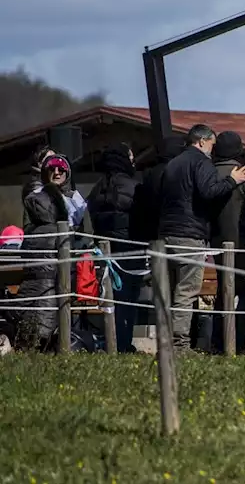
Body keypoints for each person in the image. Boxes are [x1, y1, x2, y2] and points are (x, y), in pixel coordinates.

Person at [157, 125, 245, 351]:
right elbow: (209, 192)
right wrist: (232, 180)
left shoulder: (173, 164)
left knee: (170, 289)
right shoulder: (200, 162)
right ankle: (180, 344)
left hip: (166, 234)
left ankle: (167, 339)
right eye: (211, 143)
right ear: (201, 142)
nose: (213, 148)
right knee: (187, 289)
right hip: (189, 234)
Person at [10, 155, 76, 348]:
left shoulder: (73, 200)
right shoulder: (41, 206)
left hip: (38, 282)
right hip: (54, 280)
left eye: (61, 169)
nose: (57, 173)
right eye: (52, 169)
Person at [86, 143, 139, 352]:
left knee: (111, 299)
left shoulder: (96, 190)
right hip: (130, 249)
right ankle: (124, 343)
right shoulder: (134, 187)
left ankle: (112, 342)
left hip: (105, 252)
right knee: (129, 300)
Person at [208, 131, 245, 354]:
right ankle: (238, 342)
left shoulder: (209, 173)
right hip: (243, 244)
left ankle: (219, 341)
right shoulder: (244, 174)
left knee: (223, 292)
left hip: (218, 242)